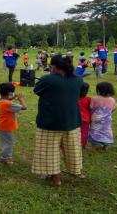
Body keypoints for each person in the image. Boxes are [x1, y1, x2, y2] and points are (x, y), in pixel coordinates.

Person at [32, 55, 84, 186]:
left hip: (49, 122)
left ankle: (56, 178)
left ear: (53, 66)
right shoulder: (78, 79)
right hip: (72, 121)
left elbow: (37, 90)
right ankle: (76, 171)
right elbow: (83, 91)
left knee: (49, 151)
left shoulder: (47, 79)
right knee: (72, 149)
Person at [0, 83, 27, 165]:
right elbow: (24, 107)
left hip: (2, 125)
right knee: (9, 142)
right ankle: (5, 158)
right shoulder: (8, 104)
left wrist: (12, 97)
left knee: (5, 141)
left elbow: (7, 100)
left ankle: (5, 155)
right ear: (10, 93)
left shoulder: (0, 100)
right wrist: (21, 99)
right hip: (7, 126)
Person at [89, 82, 117, 151]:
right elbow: (114, 108)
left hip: (96, 119)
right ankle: (106, 146)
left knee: (95, 131)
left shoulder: (95, 98)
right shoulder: (112, 100)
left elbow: (90, 107)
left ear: (99, 90)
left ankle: (94, 147)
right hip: (107, 119)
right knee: (106, 131)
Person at [78, 82, 91, 148]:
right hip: (85, 119)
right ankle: (82, 144)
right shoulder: (88, 99)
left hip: (75, 119)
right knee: (84, 133)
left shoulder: (73, 99)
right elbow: (91, 109)